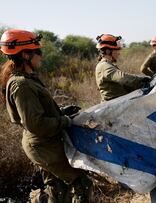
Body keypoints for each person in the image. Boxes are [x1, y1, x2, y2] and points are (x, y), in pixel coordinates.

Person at [0, 29, 92, 203]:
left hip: (45, 143)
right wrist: (66, 121)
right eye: (38, 52)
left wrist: (62, 111)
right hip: (43, 146)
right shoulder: (22, 85)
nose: (41, 56)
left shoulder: (26, 79)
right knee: (81, 182)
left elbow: (38, 113)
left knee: (57, 189)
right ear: (26, 55)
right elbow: (36, 124)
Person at [95, 34, 150, 102]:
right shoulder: (104, 66)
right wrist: (142, 81)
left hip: (119, 104)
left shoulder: (108, 64)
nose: (119, 53)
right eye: (117, 50)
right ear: (108, 51)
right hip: (113, 107)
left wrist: (141, 79)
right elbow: (123, 78)